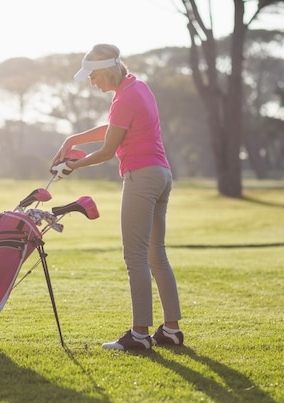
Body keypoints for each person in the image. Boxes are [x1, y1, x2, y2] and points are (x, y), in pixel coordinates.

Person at [50, 44, 184, 351]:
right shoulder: (137, 88)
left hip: (141, 177)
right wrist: (73, 139)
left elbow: (109, 151)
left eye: (94, 76)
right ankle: (171, 331)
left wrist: (73, 165)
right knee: (155, 254)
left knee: (134, 255)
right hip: (161, 175)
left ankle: (139, 335)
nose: (91, 82)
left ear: (108, 70)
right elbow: (116, 129)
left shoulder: (125, 97)